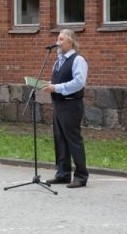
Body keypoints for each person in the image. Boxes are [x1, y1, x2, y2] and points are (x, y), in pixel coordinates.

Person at [42, 29, 89, 189]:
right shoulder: (58, 61)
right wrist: (46, 85)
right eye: (57, 38)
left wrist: (56, 87)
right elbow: (57, 80)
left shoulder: (78, 60)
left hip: (71, 104)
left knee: (73, 140)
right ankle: (62, 173)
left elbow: (79, 82)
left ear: (70, 42)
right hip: (59, 104)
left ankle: (81, 176)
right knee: (59, 139)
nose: (57, 42)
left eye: (61, 39)